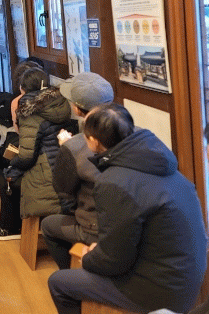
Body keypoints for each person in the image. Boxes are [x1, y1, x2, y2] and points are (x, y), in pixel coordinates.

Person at [48, 104, 208, 314]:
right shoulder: (159, 158)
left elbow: (114, 261)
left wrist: (88, 258)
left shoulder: (114, 181)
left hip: (160, 291)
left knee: (58, 282)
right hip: (189, 278)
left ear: (94, 141)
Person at [0, 68, 75, 240]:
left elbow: (27, 156)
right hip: (60, 166)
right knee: (10, 172)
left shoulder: (30, 111)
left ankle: (11, 228)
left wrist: (12, 165)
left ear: (22, 88)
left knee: (6, 178)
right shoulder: (58, 103)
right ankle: (8, 222)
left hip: (47, 174)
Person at [41, 73, 114, 269]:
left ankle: (72, 274)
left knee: (48, 225)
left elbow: (63, 190)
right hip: (133, 222)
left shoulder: (76, 146)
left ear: (76, 108)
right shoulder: (135, 132)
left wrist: (67, 147)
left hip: (97, 228)